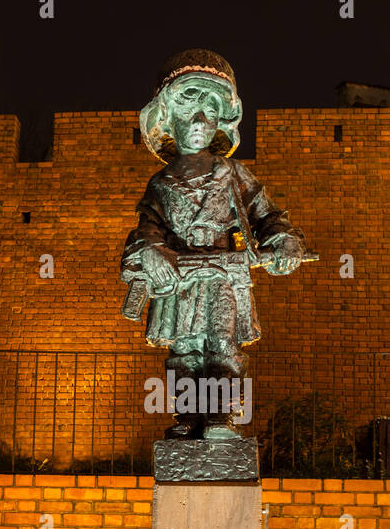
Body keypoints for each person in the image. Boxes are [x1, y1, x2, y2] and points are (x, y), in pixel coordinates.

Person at [120, 49, 309, 440]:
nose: (201, 120)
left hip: (225, 278)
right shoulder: (159, 184)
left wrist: (285, 242)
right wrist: (153, 252)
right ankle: (187, 417)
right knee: (185, 351)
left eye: (211, 109)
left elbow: (268, 215)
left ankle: (221, 418)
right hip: (180, 281)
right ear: (167, 116)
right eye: (190, 107)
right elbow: (146, 228)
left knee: (222, 347)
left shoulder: (235, 173)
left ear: (223, 118)